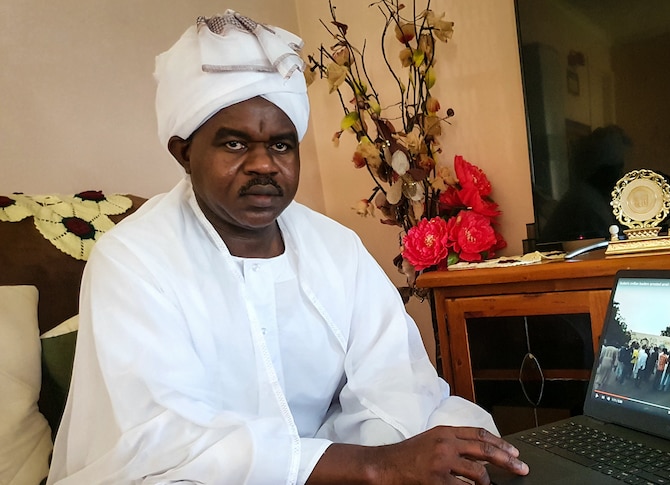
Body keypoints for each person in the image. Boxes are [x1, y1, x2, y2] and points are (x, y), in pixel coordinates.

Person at [46, 10, 528, 484]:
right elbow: (166, 439)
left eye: (281, 145)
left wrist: (389, 460)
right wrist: (374, 468)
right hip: (193, 472)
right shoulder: (133, 259)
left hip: (337, 455)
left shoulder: (335, 246)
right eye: (234, 144)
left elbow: (393, 378)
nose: (264, 166)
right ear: (183, 152)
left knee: (456, 430)